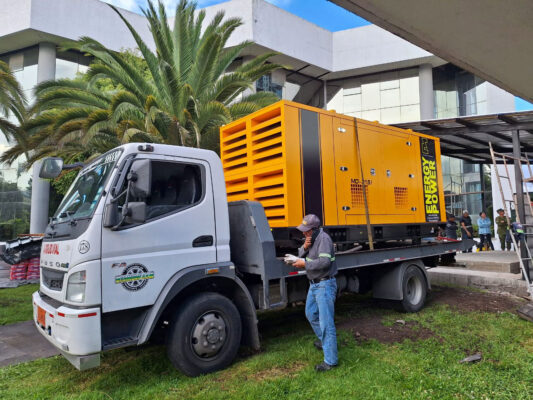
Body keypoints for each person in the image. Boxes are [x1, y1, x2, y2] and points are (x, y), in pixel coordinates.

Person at [292, 214, 338, 372]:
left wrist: (305, 263)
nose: (304, 233)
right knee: (311, 314)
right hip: (314, 285)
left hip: (324, 284)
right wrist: (304, 247)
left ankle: (330, 361)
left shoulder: (324, 239)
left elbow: (324, 263)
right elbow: (300, 255)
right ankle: (325, 342)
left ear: (315, 229)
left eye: (306, 231)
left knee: (326, 323)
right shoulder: (311, 239)